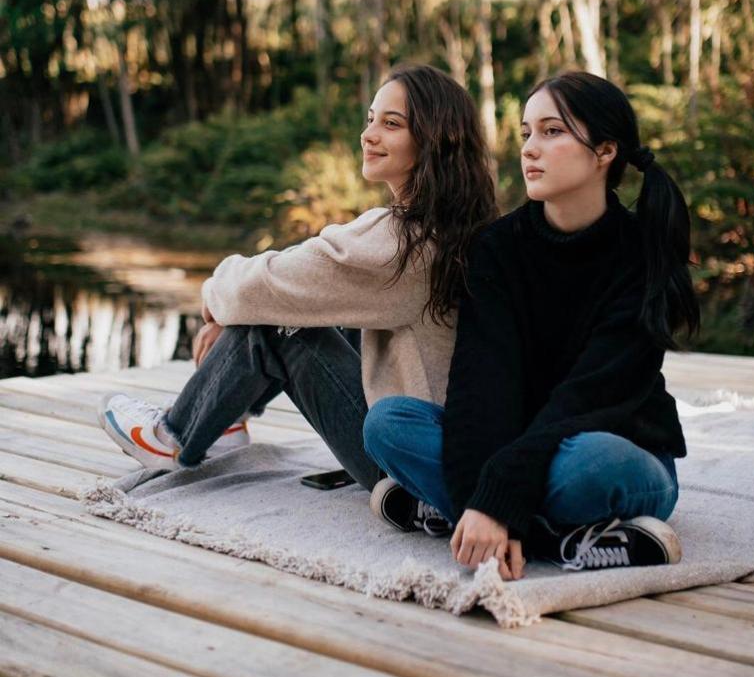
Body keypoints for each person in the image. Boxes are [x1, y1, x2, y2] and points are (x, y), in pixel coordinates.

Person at [97, 64, 497, 517]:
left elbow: (269, 286)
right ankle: (226, 415)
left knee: (282, 326)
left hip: (405, 463)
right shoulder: (454, 228)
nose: (368, 135)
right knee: (307, 307)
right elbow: (307, 273)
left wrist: (215, 300)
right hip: (440, 439)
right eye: (370, 119)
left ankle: (174, 435)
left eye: (391, 124)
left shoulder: (404, 246)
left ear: (435, 141)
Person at [364, 71, 699, 578]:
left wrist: (497, 499)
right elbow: (482, 387)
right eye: (525, 134)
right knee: (388, 424)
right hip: (515, 444)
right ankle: (557, 538)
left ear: (605, 151)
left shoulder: (642, 254)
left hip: (610, 445)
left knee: (586, 464)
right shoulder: (497, 248)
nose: (529, 150)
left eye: (551, 132)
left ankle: (462, 513)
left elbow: (587, 399)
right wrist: (500, 500)